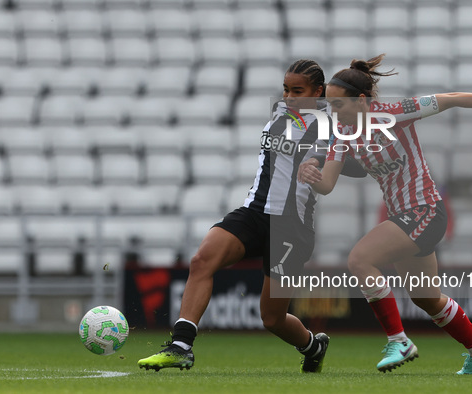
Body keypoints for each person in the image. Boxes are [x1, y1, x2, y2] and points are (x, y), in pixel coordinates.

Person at [298, 55, 472, 375]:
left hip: (425, 209)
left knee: (359, 259)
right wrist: (312, 173)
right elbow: (327, 184)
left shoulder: (395, 112)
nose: (332, 111)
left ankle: (399, 340)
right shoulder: (341, 132)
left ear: (360, 101)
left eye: (337, 104)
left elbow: (452, 99)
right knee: (426, 297)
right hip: (405, 216)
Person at [138, 59, 364, 373]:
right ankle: (181, 346)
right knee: (202, 261)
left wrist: (320, 164)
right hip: (254, 212)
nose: (289, 96)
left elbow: (349, 162)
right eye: (286, 89)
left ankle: (314, 345)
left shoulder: (329, 126)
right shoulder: (279, 112)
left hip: (292, 227)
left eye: (298, 91)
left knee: (271, 318)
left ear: (318, 91)